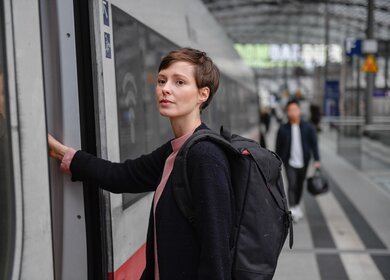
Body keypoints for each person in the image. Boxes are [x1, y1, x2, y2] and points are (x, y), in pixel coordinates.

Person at [48, 48, 232, 279]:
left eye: (180, 82)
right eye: (162, 80)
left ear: (202, 94)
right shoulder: (175, 150)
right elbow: (122, 176)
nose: (165, 88)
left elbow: (216, 253)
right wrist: (67, 155)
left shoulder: (205, 156)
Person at [275, 99, 320, 223]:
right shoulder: (283, 129)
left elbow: (314, 144)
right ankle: (293, 209)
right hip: (289, 162)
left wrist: (317, 160)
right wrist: (277, 162)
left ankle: (297, 205)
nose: (292, 112)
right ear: (287, 112)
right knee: (292, 184)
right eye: (290, 110)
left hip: (303, 162)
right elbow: (278, 147)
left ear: (299, 110)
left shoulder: (308, 127)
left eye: (294, 110)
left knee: (300, 185)